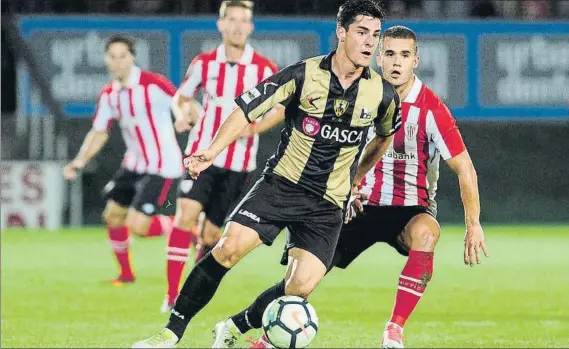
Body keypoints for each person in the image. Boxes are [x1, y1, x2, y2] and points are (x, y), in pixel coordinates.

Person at [132, 0, 401, 347]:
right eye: (362, 32)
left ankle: (234, 326)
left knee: (299, 287)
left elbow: (383, 136)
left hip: (328, 204)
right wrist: (211, 151)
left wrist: (356, 177)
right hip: (282, 186)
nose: (369, 42)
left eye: (375, 35)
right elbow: (245, 110)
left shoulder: (382, 94)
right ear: (341, 32)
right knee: (227, 249)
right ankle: (170, 333)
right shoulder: (303, 75)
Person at [213, 26, 489, 349]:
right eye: (389, 54)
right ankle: (238, 326)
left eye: (404, 55)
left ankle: (394, 330)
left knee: (428, 233)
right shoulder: (361, 95)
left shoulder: (432, 109)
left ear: (416, 60)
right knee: (300, 283)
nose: (396, 62)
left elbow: (465, 168)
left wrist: (473, 224)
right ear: (379, 58)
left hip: (410, 210)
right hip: (355, 205)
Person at [162, 0, 282, 313]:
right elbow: (182, 97)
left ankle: (192, 289)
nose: (238, 26)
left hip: (240, 163)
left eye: (244, 20)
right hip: (201, 154)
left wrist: (255, 129)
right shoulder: (203, 63)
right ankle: (172, 295)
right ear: (221, 24)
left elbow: (281, 108)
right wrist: (183, 113)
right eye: (232, 19)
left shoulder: (264, 68)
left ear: (251, 26)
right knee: (185, 215)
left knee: (212, 235)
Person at [63, 35, 183, 285]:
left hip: (162, 165)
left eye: (123, 56)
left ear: (133, 57)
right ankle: (126, 275)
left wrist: (185, 116)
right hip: (134, 164)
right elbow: (99, 132)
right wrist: (79, 161)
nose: (118, 62)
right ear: (106, 60)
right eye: (112, 56)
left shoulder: (152, 84)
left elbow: (182, 101)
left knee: (138, 227)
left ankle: (182, 226)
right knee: (112, 216)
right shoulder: (109, 94)